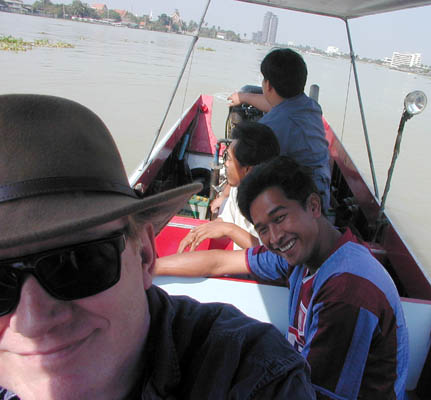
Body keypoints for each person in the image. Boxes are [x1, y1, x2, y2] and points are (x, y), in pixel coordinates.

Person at [0, 94, 316, 400]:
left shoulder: (251, 375)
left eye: (78, 262)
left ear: (144, 256)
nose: (32, 322)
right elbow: (223, 261)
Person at [157, 156, 409, 399]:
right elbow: (218, 262)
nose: (275, 238)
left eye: (279, 218)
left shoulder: (348, 290)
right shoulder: (299, 256)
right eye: (262, 229)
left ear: (313, 206)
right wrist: (150, 268)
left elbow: (314, 393)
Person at [227, 48, 331, 209]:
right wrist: (244, 97)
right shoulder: (311, 106)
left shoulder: (270, 126)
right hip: (322, 189)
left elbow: (244, 167)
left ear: (268, 85)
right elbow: (275, 105)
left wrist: (225, 195)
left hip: (301, 200)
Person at [179, 120, 279, 252]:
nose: (225, 164)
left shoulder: (272, 204)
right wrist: (198, 232)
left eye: (229, 159)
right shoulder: (237, 188)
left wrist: (228, 229)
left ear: (248, 170)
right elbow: (225, 219)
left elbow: (271, 254)